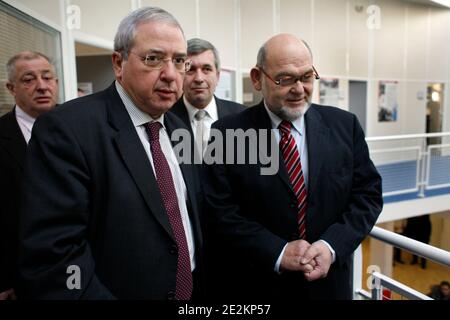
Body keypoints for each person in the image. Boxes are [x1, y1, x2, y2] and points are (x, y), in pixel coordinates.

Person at [17, 7, 204, 300]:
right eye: (153, 59)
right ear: (119, 63)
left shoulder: (179, 128)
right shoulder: (67, 129)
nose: (170, 74)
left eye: (179, 61)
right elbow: (57, 260)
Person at [202, 34, 383, 300]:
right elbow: (218, 210)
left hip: (328, 287)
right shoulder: (227, 133)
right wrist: (277, 251)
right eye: (285, 79)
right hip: (257, 285)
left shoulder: (345, 126)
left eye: (307, 77)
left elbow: (367, 196)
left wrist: (331, 246)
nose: (299, 88)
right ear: (257, 78)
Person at [0, 51, 59, 300]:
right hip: (21, 276)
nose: (42, 86)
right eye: (29, 79)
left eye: (47, 77)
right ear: (11, 88)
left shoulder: (84, 126)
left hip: (79, 268)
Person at [170, 38, 244, 156]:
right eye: (190, 69)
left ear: (218, 76)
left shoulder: (242, 117)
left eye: (206, 69)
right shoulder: (165, 117)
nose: (199, 78)